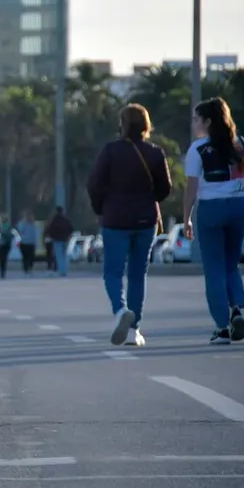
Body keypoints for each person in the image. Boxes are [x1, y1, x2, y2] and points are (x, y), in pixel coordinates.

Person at [87, 103, 172, 347]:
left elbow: (94, 183)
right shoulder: (155, 153)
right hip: (146, 220)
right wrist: (146, 198)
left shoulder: (111, 151)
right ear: (146, 125)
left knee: (113, 272)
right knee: (137, 274)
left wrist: (101, 207)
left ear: (122, 124)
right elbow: (165, 189)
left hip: (115, 220)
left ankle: (120, 310)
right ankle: (134, 330)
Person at [183, 97, 244, 345]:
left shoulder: (198, 149)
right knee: (231, 265)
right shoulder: (241, 144)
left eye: (196, 119)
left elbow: (191, 188)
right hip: (238, 208)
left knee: (213, 268)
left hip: (211, 209)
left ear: (208, 122)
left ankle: (222, 327)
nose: (194, 124)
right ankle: (236, 310)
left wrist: (186, 218)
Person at [44, 207, 74, 277]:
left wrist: (52, 237)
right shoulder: (66, 220)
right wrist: (68, 236)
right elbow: (71, 229)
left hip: (57, 240)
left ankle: (61, 271)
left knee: (59, 256)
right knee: (64, 255)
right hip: (65, 239)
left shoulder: (54, 220)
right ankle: (65, 270)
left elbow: (50, 230)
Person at [16, 210, 38, 275]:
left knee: (30, 257)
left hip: (29, 242)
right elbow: (20, 231)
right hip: (25, 242)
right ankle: (27, 268)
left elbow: (35, 234)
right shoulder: (22, 223)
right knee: (26, 256)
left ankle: (29, 268)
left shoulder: (33, 224)